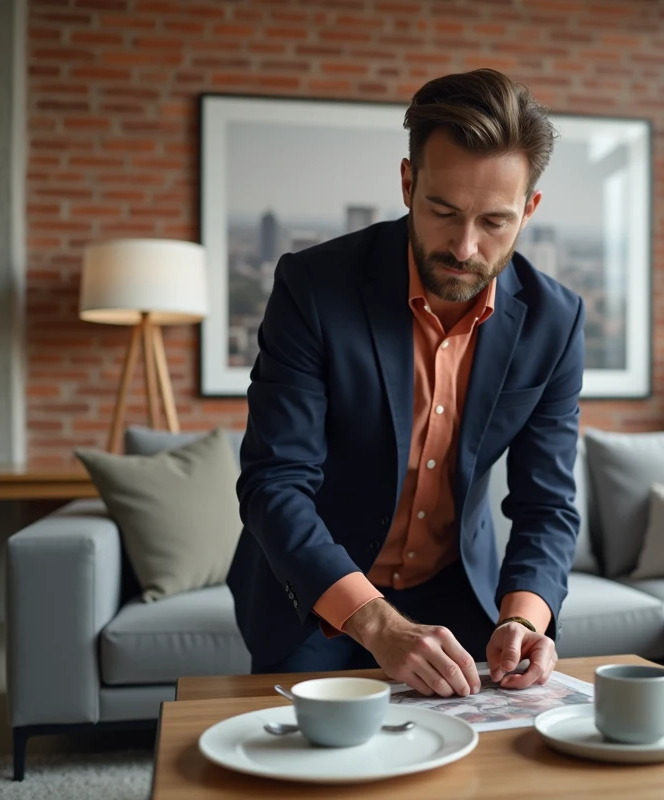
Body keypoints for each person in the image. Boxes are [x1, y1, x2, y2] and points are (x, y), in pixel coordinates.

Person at [227, 68, 585, 700]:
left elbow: (546, 504)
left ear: (529, 210)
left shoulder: (556, 321)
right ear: (407, 182)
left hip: (463, 599)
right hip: (322, 598)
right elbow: (274, 482)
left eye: (495, 222)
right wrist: (375, 621)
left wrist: (525, 616)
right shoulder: (313, 288)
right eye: (443, 211)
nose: (466, 247)